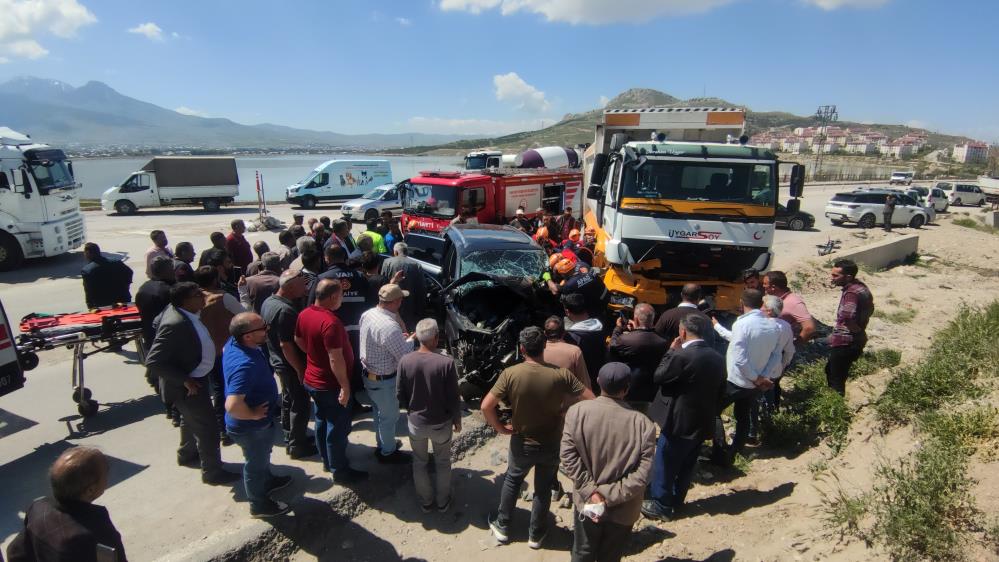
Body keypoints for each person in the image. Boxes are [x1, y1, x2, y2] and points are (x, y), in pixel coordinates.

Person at [485, 327, 594, 548]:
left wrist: (500, 428)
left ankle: (503, 526)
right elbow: (590, 399)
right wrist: (566, 412)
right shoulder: (561, 374)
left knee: (512, 480)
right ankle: (536, 534)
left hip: (521, 440)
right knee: (543, 488)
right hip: (552, 441)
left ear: (522, 349)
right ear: (544, 346)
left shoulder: (511, 374)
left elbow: (486, 406)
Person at [144, 282, 240, 485]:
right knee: (207, 428)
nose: (204, 295)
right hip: (187, 386)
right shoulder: (175, 323)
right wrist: (185, 379)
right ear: (186, 301)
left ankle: (187, 454)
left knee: (189, 420)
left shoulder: (185, 313)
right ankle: (213, 472)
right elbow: (153, 361)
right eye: (198, 294)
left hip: (196, 378)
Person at [562, 363, 657, 562]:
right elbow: (644, 474)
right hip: (623, 509)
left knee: (582, 552)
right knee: (611, 556)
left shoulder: (577, 412)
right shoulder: (643, 424)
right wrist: (609, 496)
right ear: (627, 388)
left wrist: (592, 493)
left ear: (598, 382)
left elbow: (568, 456)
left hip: (588, 504)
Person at [642, 315, 726, 521]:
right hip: (702, 418)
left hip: (679, 418)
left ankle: (660, 504)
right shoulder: (718, 357)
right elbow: (721, 389)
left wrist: (671, 351)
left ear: (682, 332)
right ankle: (677, 500)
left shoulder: (682, 355)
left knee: (665, 459)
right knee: (688, 462)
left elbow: (659, 376)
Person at [295, 279, 367, 483]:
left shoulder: (304, 314)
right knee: (337, 428)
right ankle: (340, 470)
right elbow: (336, 358)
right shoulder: (331, 322)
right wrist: (345, 387)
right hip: (329, 385)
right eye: (341, 296)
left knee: (321, 421)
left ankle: (327, 460)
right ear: (333, 297)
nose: (342, 300)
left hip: (313, 380)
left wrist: (314, 355)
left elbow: (298, 339)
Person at [223, 312, 292, 518]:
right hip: (251, 427)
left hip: (258, 424)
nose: (267, 330)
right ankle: (259, 504)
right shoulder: (245, 365)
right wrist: (253, 414)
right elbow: (232, 405)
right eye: (262, 328)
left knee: (262, 457)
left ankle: (267, 480)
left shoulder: (235, 343)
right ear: (247, 336)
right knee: (255, 463)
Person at [6, 447, 127, 562]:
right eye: (106, 473)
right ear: (90, 490)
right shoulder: (96, 529)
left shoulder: (38, 508)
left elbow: (15, 553)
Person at [711, 289, 783, 464]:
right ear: (761, 304)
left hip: (736, 381)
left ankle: (720, 455)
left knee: (713, 411)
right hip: (755, 384)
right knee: (743, 417)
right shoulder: (773, 326)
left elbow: (740, 358)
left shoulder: (742, 324)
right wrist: (762, 377)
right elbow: (776, 355)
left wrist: (756, 377)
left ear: (741, 303)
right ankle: (736, 451)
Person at [397, 318, 461, 512]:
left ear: (417, 338)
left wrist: (410, 410)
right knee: (442, 463)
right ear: (435, 338)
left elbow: (400, 393)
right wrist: (457, 420)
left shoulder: (405, 361)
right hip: (441, 424)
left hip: (416, 423)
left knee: (420, 462)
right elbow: (453, 397)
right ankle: (443, 502)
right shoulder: (446, 363)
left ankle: (426, 502)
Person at [260, 269, 317, 459]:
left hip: (279, 362)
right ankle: (297, 445)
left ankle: (290, 436)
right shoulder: (286, 310)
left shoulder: (269, 302)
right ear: (290, 287)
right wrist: (300, 369)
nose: (305, 288)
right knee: (300, 404)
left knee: (288, 399)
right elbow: (286, 344)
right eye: (302, 285)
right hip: (290, 365)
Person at [358, 284, 412, 463]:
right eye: (401, 299)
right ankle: (388, 452)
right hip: (384, 380)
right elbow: (404, 355)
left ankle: (382, 444)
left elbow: (380, 342)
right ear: (396, 302)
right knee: (389, 417)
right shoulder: (390, 326)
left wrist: (398, 340)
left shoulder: (368, 314)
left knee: (378, 413)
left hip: (369, 375)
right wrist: (411, 340)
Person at [195, 265, 246, 442]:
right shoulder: (223, 298)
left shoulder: (194, 299)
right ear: (215, 279)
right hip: (225, 350)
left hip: (204, 351)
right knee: (226, 388)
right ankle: (226, 427)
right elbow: (244, 316)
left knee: (216, 387)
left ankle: (220, 427)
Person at [311, 245, 371, 392]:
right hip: (358, 331)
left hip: (333, 332)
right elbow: (371, 303)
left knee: (337, 362)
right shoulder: (360, 276)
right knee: (356, 360)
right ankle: (356, 391)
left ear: (327, 258)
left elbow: (312, 308)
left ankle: (344, 391)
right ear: (346, 257)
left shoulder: (322, 279)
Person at [826, 259, 874, 396]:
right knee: (833, 371)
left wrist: (857, 333)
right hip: (854, 340)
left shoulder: (851, 293)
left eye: (836, 276)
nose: (832, 278)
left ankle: (835, 408)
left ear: (848, 277)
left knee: (835, 380)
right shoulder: (861, 288)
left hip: (846, 341)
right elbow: (870, 310)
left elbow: (847, 316)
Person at [608, 303, 668, 413]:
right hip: (651, 390)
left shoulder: (625, 340)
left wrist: (618, 328)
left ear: (635, 319)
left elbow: (612, 346)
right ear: (653, 319)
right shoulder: (662, 341)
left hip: (629, 389)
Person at [380, 242, 426, 331]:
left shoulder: (387, 262)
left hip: (390, 303)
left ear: (396, 252)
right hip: (411, 305)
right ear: (406, 252)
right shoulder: (416, 265)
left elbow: (383, 283)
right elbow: (422, 288)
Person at [761, 295, 796, 412]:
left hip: (759, 368)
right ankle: (770, 417)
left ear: (769, 311)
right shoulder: (786, 326)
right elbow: (790, 350)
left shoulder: (761, 325)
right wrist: (783, 366)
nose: (760, 309)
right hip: (776, 368)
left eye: (763, 306)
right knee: (771, 392)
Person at [763, 270, 816, 345]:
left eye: (765, 284)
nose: (763, 286)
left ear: (773, 287)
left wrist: (794, 345)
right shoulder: (773, 298)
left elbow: (809, 328)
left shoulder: (794, 302)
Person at [563, 293, 606, 387]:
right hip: (601, 376)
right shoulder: (601, 325)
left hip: (585, 383)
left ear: (567, 312)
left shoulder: (571, 337)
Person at [135, 256, 175, 353]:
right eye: (171, 269)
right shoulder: (167, 290)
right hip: (167, 340)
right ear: (165, 271)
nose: (174, 272)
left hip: (150, 337)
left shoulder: (144, 287)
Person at [542, 316, 590, 390]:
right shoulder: (574, 351)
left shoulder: (538, 351)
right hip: (570, 400)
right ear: (564, 332)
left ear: (545, 333)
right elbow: (584, 382)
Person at [80, 243, 133, 309]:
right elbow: (129, 272)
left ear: (88, 253)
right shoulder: (116, 262)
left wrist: (90, 305)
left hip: (103, 304)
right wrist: (126, 286)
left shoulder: (87, 270)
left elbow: (88, 290)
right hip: (123, 299)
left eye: (85, 253)